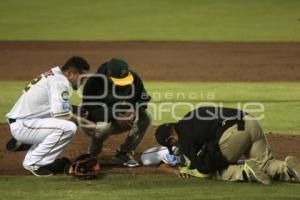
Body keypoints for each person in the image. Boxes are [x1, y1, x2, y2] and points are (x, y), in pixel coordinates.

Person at [155, 106, 300, 185]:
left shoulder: (185, 138)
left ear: (171, 138)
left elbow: (203, 170)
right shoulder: (190, 115)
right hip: (250, 121)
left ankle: (244, 171)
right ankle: (286, 168)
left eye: (172, 143)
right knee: (265, 163)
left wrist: (188, 170)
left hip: (233, 132)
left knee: (214, 169)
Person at [6, 56, 96, 176]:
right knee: (68, 127)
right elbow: (61, 114)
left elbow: (54, 106)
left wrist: (76, 111)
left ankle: (37, 153)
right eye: (82, 77)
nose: (83, 81)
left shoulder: (55, 75)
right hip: (24, 125)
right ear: (70, 74)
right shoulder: (60, 82)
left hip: (27, 120)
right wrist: (85, 122)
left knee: (68, 119)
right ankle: (34, 162)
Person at [82, 58, 151, 167]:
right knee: (103, 127)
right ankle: (92, 155)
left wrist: (134, 109)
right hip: (98, 122)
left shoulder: (134, 78)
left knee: (146, 117)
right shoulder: (94, 83)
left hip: (124, 119)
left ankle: (123, 154)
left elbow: (144, 97)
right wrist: (115, 116)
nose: (123, 84)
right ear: (107, 76)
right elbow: (92, 111)